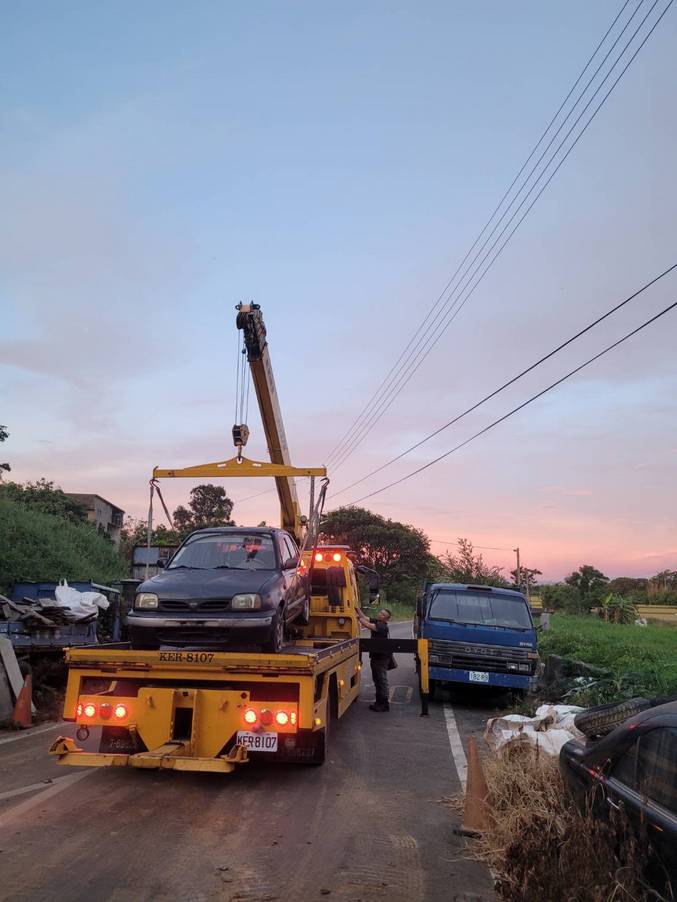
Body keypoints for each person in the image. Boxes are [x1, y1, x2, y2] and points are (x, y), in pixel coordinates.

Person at [356, 607, 392, 712]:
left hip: (381, 658)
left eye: (382, 614)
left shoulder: (382, 626)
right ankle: (378, 702)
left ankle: (384, 703)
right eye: (380, 612)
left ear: (386, 618)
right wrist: (358, 611)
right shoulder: (378, 622)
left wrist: (358, 618)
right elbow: (366, 618)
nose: (379, 614)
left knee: (381, 680)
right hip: (376, 657)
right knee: (377, 680)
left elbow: (368, 625)